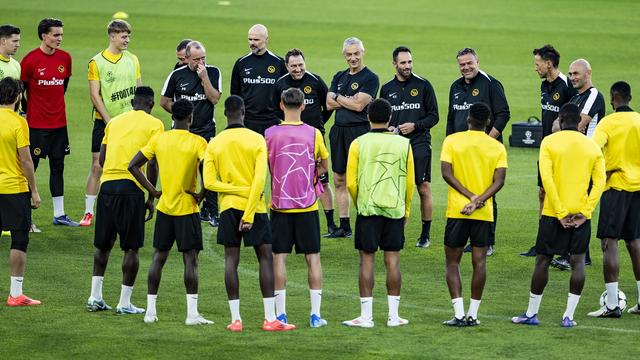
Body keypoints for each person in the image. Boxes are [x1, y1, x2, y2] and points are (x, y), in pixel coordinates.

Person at [204, 95, 295, 332]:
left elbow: (209, 183)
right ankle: (269, 318)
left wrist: (234, 190)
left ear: (226, 113)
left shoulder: (214, 142)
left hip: (227, 208)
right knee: (265, 258)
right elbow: (259, 180)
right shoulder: (256, 139)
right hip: (255, 207)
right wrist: (249, 209)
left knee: (230, 261)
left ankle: (236, 320)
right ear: (243, 112)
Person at [512, 103, 605, 327]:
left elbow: (547, 181)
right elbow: (600, 182)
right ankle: (568, 317)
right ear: (580, 123)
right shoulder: (592, 147)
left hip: (554, 213)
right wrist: (586, 211)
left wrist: (561, 212)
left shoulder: (549, 142)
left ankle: (532, 314)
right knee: (578, 262)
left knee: (543, 260)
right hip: (581, 215)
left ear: (561, 121)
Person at [128, 99, 212, 325]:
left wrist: (153, 191)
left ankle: (150, 311)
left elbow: (133, 165)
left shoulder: (159, 139)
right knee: (190, 261)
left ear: (172, 117)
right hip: (187, 208)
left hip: (165, 207)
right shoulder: (198, 142)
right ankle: (192, 314)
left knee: (158, 258)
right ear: (191, 118)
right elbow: (209, 170)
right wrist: (202, 193)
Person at [85, 86, 163, 315]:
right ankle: (124, 302)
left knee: (102, 245)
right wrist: (151, 195)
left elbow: (103, 158)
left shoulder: (114, 122)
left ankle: (95, 296)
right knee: (131, 247)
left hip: (107, 187)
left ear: (132, 102)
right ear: (151, 104)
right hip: (132, 190)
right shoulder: (155, 124)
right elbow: (152, 162)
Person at [341, 98, 414, 328]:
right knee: (393, 262)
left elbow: (350, 182)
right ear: (390, 117)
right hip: (394, 209)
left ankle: (366, 317)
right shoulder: (404, 144)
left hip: (368, 209)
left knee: (367, 262)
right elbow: (409, 182)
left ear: (368, 117)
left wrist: (359, 202)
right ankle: (393, 316)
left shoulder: (358, 143)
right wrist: (406, 209)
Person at [266, 88, 329, 328]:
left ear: (281, 104)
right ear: (303, 105)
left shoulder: (270, 134)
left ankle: (281, 315)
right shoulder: (314, 134)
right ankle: (315, 315)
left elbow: (265, 163)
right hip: (307, 205)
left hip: (280, 205)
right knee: (312, 259)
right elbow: (324, 164)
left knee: (278, 259)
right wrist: (312, 176)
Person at [441, 102, 507, 326]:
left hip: (457, 211)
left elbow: (446, 173)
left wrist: (469, 197)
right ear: (488, 121)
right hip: (484, 212)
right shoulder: (497, 146)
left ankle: (459, 314)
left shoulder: (452, 140)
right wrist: (479, 200)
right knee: (480, 263)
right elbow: (499, 181)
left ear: (468, 118)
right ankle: (474, 314)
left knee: (452, 263)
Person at [447, 48, 510, 256]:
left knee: (487, 192)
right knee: (462, 188)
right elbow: (451, 117)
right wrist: (451, 143)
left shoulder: (491, 84)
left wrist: (487, 140)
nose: (466, 67)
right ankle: (466, 237)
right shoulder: (455, 86)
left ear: (477, 61)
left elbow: (503, 113)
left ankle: (487, 241)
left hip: (486, 151)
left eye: (469, 63)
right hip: (461, 150)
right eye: (462, 64)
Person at [81, 19, 142, 227]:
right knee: (98, 165)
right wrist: (108, 120)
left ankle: (133, 208)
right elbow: (94, 95)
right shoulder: (96, 62)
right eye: (124, 36)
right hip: (105, 123)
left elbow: (139, 89)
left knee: (132, 165)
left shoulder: (133, 59)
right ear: (112, 36)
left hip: (130, 122)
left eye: (129, 36)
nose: (127, 40)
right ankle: (89, 211)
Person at [588, 81, 640, 318]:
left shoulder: (608, 122)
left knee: (610, 243)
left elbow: (592, 150)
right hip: (637, 189)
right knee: (634, 242)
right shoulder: (639, 120)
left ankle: (611, 304)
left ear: (613, 98)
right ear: (629, 98)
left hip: (616, 188)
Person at [520, 45, 577, 257]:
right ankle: (542, 244)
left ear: (548, 64)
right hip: (546, 150)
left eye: (537, 64)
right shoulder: (545, 86)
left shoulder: (566, 86)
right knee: (543, 193)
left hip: (563, 152)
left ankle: (566, 248)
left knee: (563, 195)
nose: (535, 68)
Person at [380, 46, 439, 248]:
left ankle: (425, 234)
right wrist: (388, 128)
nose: (407, 66)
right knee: (396, 189)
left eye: (410, 62)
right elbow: (382, 117)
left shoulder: (423, 85)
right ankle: (398, 233)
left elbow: (434, 116)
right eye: (403, 62)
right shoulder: (386, 89)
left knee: (423, 187)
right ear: (395, 64)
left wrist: (416, 125)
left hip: (419, 142)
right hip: (395, 145)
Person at [20, 18, 76, 227]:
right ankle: (26, 218)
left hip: (59, 125)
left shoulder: (65, 58)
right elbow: (21, 90)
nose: (60, 38)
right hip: (36, 126)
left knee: (58, 167)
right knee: (30, 169)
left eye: (61, 34)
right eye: (56, 35)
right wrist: (28, 111)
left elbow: (63, 86)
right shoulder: (30, 60)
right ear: (44, 36)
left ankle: (59, 215)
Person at [549, 58, 604, 270]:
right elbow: (558, 125)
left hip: (586, 158)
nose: (572, 77)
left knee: (580, 204)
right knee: (570, 200)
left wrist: (566, 126)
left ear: (588, 73)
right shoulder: (576, 97)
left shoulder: (592, 96)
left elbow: (578, 124)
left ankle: (580, 254)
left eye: (576, 74)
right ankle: (571, 253)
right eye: (570, 74)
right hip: (573, 157)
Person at [274, 48, 337, 234]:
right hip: (290, 142)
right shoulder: (280, 84)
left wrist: (318, 124)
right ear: (286, 66)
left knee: (322, 180)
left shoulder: (315, 81)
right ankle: (294, 221)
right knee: (293, 178)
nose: (297, 69)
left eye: (300, 65)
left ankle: (331, 224)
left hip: (314, 138)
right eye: (293, 66)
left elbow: (328, 105)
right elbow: (275, 109)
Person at [161, 40, 221, 225]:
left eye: (203, 58)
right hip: (181, 132)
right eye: (196, 59)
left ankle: (211, 211)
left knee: (208, 172)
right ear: (186, 58)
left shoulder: (213, 72)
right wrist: (180, 113)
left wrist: (204, 78)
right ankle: (178, 206)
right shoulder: (176, 75)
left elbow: (214, 99)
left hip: (206, 131)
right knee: (181, 170)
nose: (200, 63)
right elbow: (164, 101)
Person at [326, 37, 379, 238]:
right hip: (338, 131)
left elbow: (359, 106)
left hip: (360, 132)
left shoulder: (370, 78)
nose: (353, 58)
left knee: (362, 179)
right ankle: (345, 226)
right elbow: (328, 104)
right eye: (349, 54)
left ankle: (367, 222)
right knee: (339, 178)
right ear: (344, 55)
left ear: (363, 53)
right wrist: (348, 100)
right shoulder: (339, 76)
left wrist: (338, 97)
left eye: (356, 53)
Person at [0, 77, 42, 306]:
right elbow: (26, 160)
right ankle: (15, 294)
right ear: (17, 97)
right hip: (13, 188)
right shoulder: (18, 123)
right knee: (19, 239)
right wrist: (34, 191)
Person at [230, 24, 286, 136]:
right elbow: (235, 94)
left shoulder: (279, 63)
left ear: (266, 40)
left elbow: (286, 92)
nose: (252, 43)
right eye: (250, 39)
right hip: (247, 121)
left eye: (256, 39)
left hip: (272, 121)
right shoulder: (241, 63)